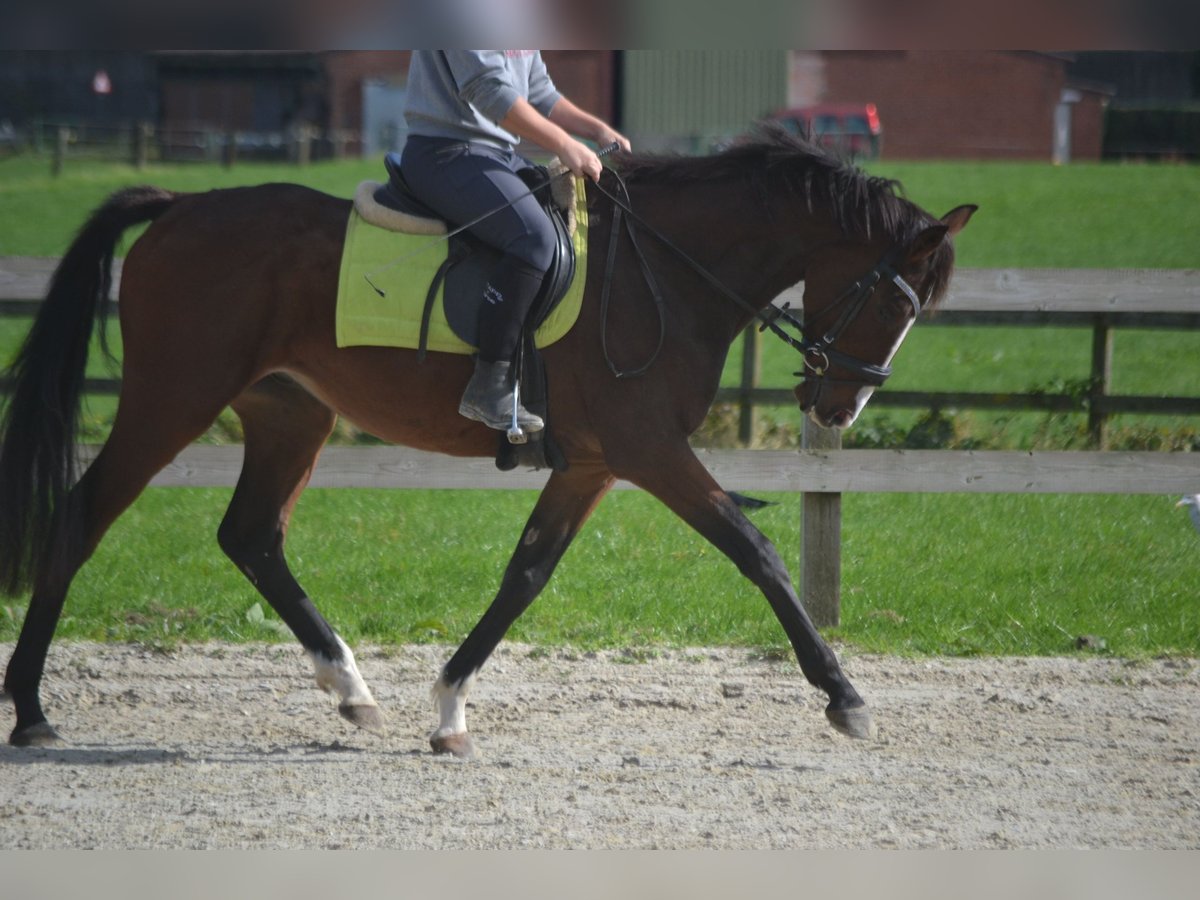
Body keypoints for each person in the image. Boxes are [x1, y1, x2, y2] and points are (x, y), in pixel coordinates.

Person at [400, 50, 631, 434]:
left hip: (498, 154)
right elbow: (486, 89)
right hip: (445, 153)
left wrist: (595, 130)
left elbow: (538, 90)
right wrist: (564, 145)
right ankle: (488, 384)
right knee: (534, 240)